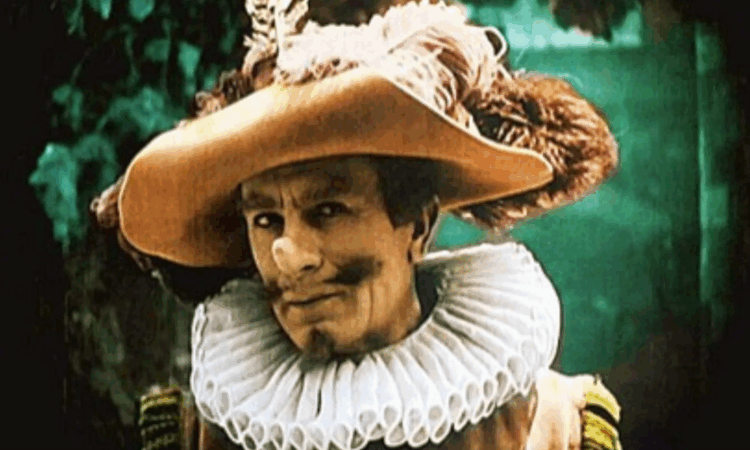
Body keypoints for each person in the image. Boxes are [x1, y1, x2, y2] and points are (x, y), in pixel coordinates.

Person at [92, 1, 622, 449]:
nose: (289, 254)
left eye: (328, 210)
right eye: (266, 219)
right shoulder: (199, 438)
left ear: (417, 225)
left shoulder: (554, 429)